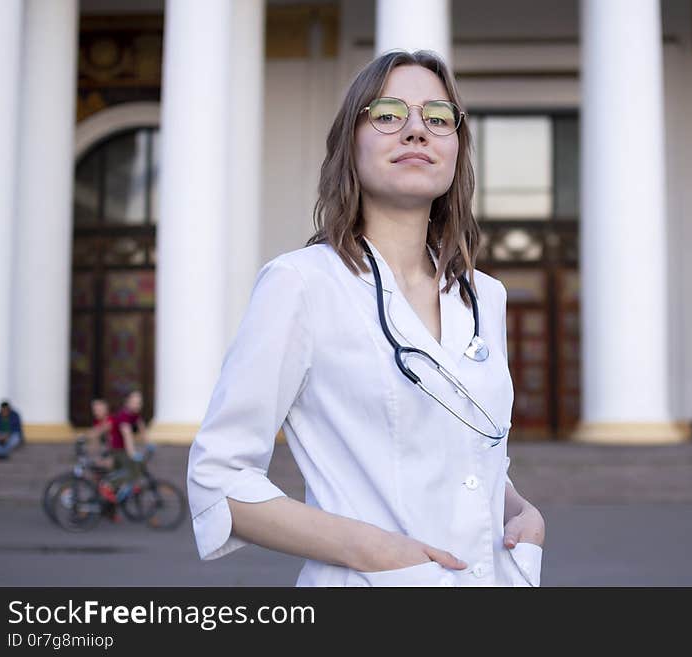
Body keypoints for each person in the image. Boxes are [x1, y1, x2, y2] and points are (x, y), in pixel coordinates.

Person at [187, 50, 546, 587]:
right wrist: (376, 551)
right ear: (350, 145)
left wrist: (519, 510)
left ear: (456, 148)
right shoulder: (302, 284)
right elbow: (219, 479)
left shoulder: (483, 297)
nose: (416, 130)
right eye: (387, 114)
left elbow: (470, 450)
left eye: (438, 117)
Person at [99, 390, 150, 502]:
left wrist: (149, 444)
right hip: (118, 449)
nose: (138, 405)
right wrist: (132, 453)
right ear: (127, 402)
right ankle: (107, 485)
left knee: (133, 470)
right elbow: (127, 435)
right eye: (135, 402)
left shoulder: (135, 415)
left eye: (139, 402)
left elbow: (142, 429)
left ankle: (124, 489)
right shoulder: (124, 416)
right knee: (131, 470)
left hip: (123, 449)